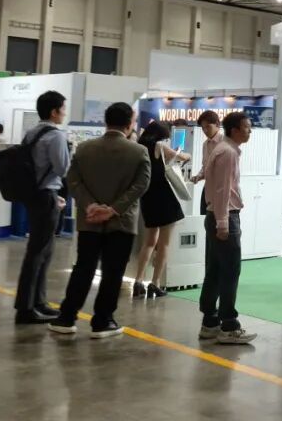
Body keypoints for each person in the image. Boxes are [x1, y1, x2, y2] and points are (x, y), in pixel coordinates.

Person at [48, 102, 150, 339]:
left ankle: (66, 317)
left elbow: (73, 180)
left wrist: (90, 205)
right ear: (130, 124)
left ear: (106, 121)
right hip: (122, 222)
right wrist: (114, 209)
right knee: (113, 272)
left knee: (83, 268)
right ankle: (103, 321)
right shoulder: (138, 152)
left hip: (89, 220)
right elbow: (141, 185)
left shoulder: (84, 148)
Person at [198, 111, 257, 345]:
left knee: (215, 269)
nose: (250, 131)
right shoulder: (228, 152)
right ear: (235, 130)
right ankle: (229, 325)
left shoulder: (223, 149)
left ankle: (210, 322)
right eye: (247, 127)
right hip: (224, 217)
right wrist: (223, 223)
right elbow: (222, 190)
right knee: (230, 271)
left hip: (217, 215)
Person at [14, 91, 71, 324]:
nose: (64, 113)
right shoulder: (55, 136)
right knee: (38, 253)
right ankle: (26, 308)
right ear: (54, 112)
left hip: (34, 194)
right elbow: (63, 168)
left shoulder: (32, 133)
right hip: (46, 196)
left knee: (43, 252)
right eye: (63, 109)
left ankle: (38, 302)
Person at [132, 120, 190, 298]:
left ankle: (138, 281)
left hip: (147, 198)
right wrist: (183, 153)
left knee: (149, 242)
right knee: (164, 244)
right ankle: (155, 283)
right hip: (164, 198)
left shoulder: (138, 148)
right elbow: (183, 157)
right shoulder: (159, 146)